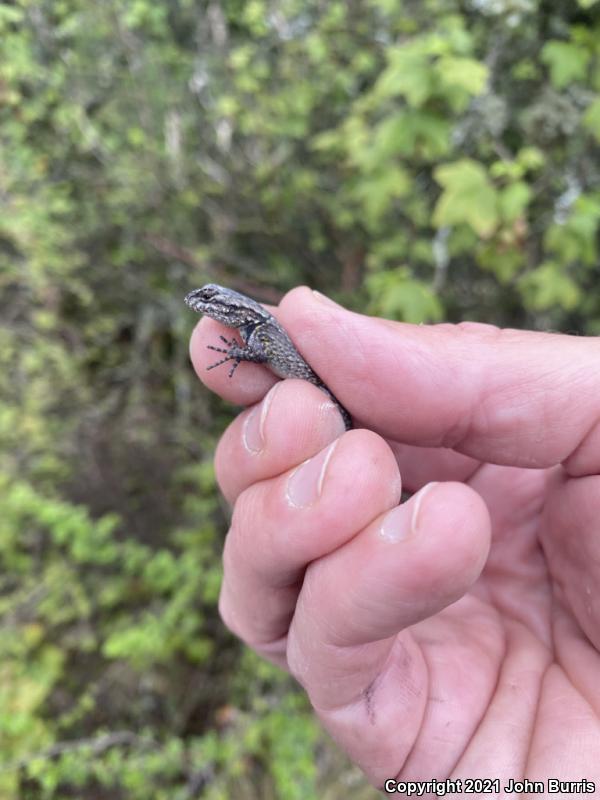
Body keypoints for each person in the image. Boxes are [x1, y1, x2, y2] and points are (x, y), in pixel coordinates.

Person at [190, 286, 600, 792]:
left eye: (208, 301)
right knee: (326, 478)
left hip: (328, 402)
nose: (202, 306)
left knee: (329, 470)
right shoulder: (257, 328)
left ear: (226, 309)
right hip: (326, 409)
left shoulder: (257, 329)